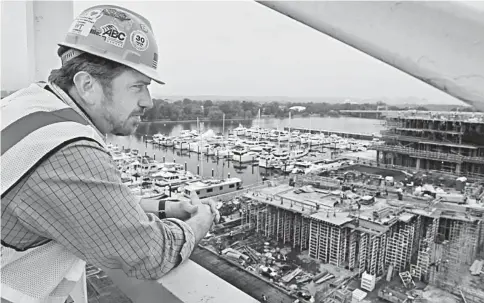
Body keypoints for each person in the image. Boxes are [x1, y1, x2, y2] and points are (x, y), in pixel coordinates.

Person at [1, 5, 219, 303]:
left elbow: (85, 203)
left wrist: (165, 209)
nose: (148, 101)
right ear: (87, 85)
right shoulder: (65, 149)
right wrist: (201, 220)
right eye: (137, 86)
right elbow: (151, 253)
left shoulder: (30, 106)